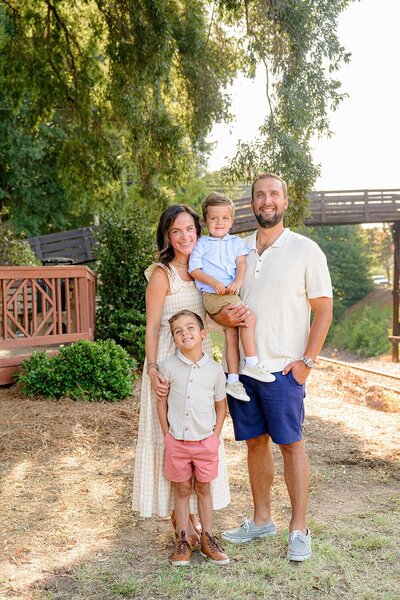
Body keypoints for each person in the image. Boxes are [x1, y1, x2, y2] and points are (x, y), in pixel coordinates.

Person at [213, 173, 333, 561]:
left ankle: (299, 527)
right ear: (251, 203)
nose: (267, 200)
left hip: (284, 369)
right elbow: (218, 302)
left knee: (292, 445)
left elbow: (324, 309)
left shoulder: (305, 249)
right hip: (243, 373)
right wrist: (224, 319)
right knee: (254, 444)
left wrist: (306, 363)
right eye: (260, 195)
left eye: (274, 194)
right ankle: (261, 518)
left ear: (284, 202)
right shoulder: (236, 249)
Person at [132, 204, 230, 542]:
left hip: (199, 366)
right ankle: (183, 530)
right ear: (168, 237)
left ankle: (200, 529)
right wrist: (153, 368)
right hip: (166, 363)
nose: (184, 236)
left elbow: (216, 316)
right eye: (176, 231)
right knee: (171, 439)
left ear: (198, 232)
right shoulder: (163, 273)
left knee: (196, 435)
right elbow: (152, 326)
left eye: (190, 229)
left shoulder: (206, 271)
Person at [157, 309, 230, 566]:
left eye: (190, 328)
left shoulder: (214, 370)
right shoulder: (167, 367)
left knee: (203, 488)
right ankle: (184, 540)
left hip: (205, 443)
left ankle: (208, 539)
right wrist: (168, 436)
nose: (184, 334)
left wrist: (215, 437)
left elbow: (221, 406)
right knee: (182, 489)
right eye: (178, 331)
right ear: (174, 338)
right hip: (177, 442)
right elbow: (162, 403)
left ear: (202, 333)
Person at [189, 192, 275, 403]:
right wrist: (213, 282)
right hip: (213, 294)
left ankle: (233, 380)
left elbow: (241, 264)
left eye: (225, 218)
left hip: (229, 292)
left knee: (232, 336)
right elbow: (195, 270)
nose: (219, 223)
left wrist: (237, 281)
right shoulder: (202, 244)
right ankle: (253, 364)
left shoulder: (236, 243)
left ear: (232, 221)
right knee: (250, 318)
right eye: (214, 218)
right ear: (205, 221)